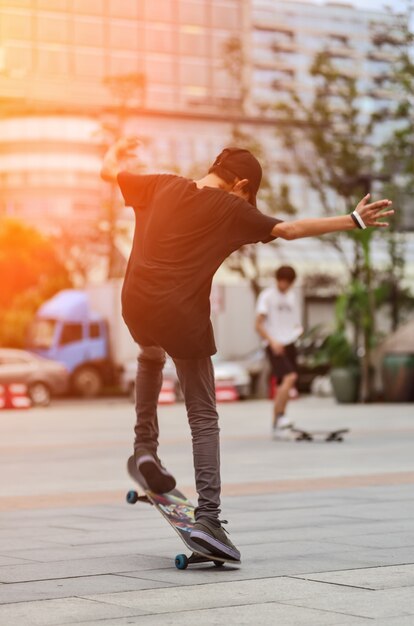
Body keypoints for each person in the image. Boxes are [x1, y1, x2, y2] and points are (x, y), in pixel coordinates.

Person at [101, 135, 393, 562]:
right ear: (239, 183)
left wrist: (115, 153)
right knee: (203, 414)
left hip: (135, 302)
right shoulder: (231, 207)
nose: (249, 203)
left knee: (149, 354)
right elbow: (288, 230)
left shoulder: (161, 184)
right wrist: (354, 220)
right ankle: (210, 518)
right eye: (249, 195)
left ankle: (145, 449)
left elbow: (110, 172)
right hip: (180, 314)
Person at [256, 265, 302, 438]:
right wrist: (272, 341)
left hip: (289, 342)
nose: (285, 286)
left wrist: (297, 331)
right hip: (274, 344)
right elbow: (258, 324)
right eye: (282, 282)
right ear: (277, 280)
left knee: (287, 384)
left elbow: (295, 322)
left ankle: (278, 423)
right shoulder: (267, 296)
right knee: (291, 377)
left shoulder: (292, 297)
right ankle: (279, 419)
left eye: (288, 283)